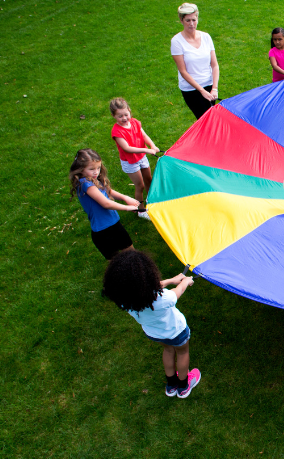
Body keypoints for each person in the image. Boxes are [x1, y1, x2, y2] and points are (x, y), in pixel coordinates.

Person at [102, 250, 201, 397]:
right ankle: (183, 386)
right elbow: (177, 292)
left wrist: (170, 280)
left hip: (154, 334)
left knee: (168, 350)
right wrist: (185, 282)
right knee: (182, 352)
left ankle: (171, 385)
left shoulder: (125, 301)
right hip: (177, 331)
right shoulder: (162, 299)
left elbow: (151, 287)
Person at [69, 148, 140, 260]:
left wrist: (125, 197)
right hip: (103, 232)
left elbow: (108, 191)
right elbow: (105, 203)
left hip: (115, 224)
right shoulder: (85, 184)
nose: (96, 172)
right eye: (91, 169)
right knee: (117, 264)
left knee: (132, 255)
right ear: (80, 169)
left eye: (98, 167)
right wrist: (127, 208)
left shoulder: (94, 179)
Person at [109, 98, 160, 220]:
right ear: (113, 116)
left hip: (141, 157)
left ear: (129, 111)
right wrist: (147, 150)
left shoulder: (135, 122)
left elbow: (143, 135)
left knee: (149, 179)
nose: (125, 118)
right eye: (120, 116)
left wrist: (152, 145)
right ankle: (141, 210)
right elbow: (127, 148)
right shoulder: (117, 132)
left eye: (126, 114)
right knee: (140, 185)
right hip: (130, 162)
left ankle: (152, 200)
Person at [171, 3, 220, 120]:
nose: (191, 24)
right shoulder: (177, 41)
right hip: (191, 89)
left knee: (213, 119)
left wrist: (214, 88)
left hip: (209, 85)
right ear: (181, 20)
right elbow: (183, 72)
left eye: (194, 19)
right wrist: (201, 91)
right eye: (188, 20)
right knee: (205, 120)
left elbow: (214, 65)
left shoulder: (206, 37)